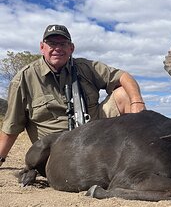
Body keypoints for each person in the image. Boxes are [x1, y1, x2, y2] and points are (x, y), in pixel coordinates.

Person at [0, 24, 146, 166]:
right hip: (57, 150)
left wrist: (137, 102)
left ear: (71, 48)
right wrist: (1, 157)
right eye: (51, 43)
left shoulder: (85, 67)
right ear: (42, 47)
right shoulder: (23, 78)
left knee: (124, 93)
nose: (57, 48)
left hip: (95, 136)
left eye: (63, 44)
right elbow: (12, 125)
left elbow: (123, 76)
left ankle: (143, 153)